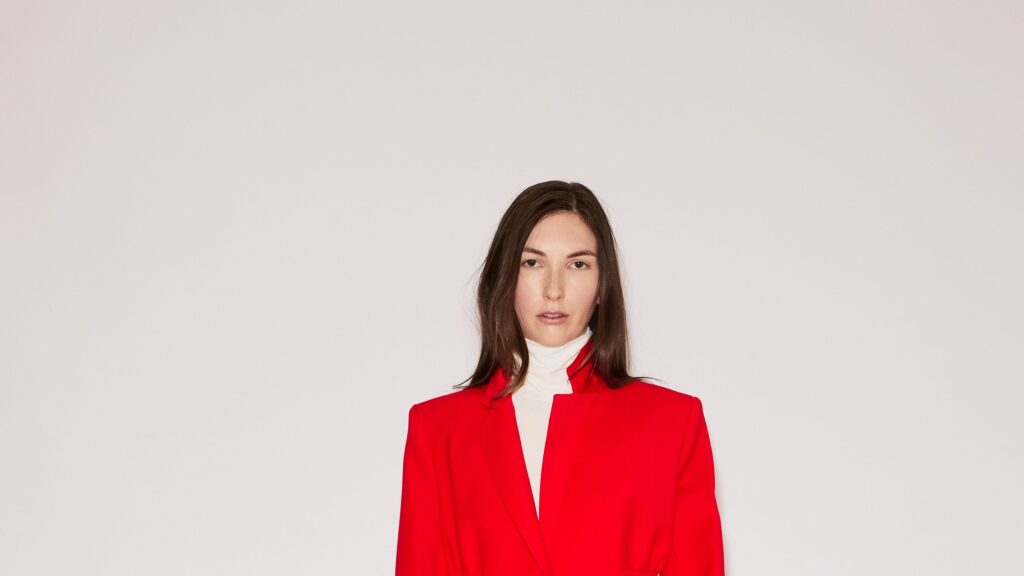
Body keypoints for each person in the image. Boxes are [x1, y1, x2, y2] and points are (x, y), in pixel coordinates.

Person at [396, 181, 724, 576]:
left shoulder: (672, 423)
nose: (554, 289)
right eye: (532, 263)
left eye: (578, 264)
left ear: (602, 285)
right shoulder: (438, 431)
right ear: (505, 278)